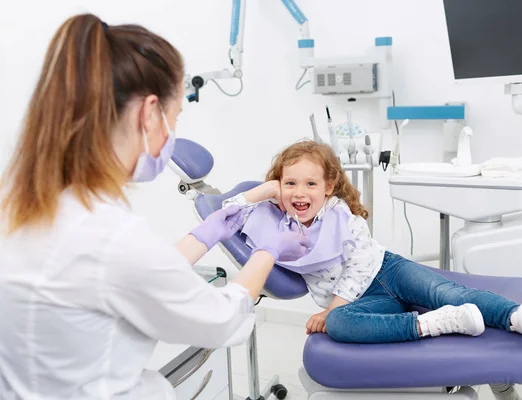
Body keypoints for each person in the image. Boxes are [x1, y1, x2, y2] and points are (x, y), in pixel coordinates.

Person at [0, 14, 309, 400]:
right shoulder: (112, 235)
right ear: (149, 113)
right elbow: (219, 320)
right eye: (175, 117)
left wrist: (210, 230)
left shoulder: (24, 204)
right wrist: (270, 250)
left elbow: (128, 274)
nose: (172, 134)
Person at [221, 140, 522, 346]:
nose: (299, 193)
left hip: (387, 271)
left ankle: (517, 316)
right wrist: (266, 190)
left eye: (311, 184)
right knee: (342, 326)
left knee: (446, 292)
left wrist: (329, 309)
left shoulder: (341, 215)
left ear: (328, 187)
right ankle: (435, 323)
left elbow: (359, 267)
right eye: (290, 183)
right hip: (363, 303)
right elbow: (225, 212)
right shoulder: (274, 218)